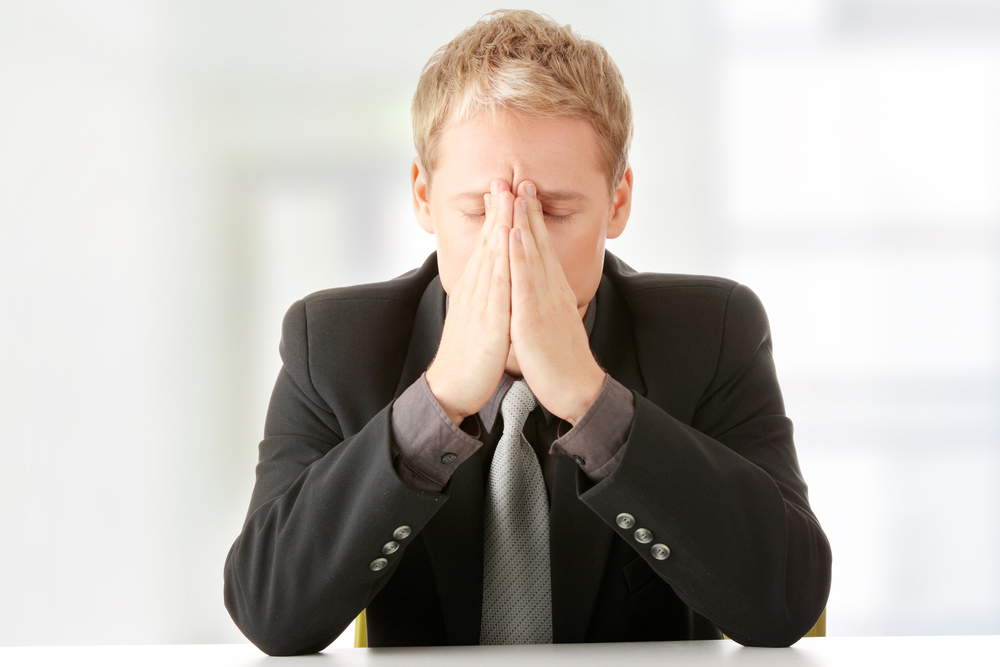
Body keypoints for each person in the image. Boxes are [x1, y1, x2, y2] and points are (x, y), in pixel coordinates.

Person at [223, 9, 831, 656]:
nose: (514, 243)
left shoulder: (711, 334)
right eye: (479, 209)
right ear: (424, 198)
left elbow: (785, 604)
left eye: (556, 210)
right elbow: (270, 612)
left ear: (618, 202)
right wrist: (439, 400)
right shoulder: (335, 345)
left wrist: (592, 401)